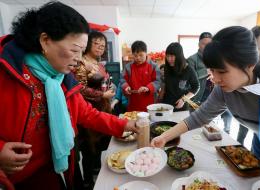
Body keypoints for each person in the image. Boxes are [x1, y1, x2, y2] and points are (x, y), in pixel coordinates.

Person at [151, 26, 260, 189]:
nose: (215, 79)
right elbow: (200, 116)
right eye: (212, 71)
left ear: (249, 65)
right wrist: (165, 137)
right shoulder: (224, 89)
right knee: (256, 182)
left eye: (222, 72)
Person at [0, 2, 137, 190]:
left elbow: (86, 113)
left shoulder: (60, 78)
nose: (79, 58)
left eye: (82, 51)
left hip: (58, 169)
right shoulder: (6, 72)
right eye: (74, 50)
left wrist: (127, 124)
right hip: (14, 180)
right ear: (45, 41)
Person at [72, 31, 115, 189]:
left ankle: (99, 173)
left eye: (103, 45)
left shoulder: (100, 64)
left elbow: (107, 80)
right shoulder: (80, 63)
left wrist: (111, 87)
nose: (100, 47)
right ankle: (88, 182)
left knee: (101, 146)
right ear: (88, 44)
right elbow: (79, 89)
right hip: (87, 113)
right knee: (89, 148)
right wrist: (102, 94)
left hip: (103, 110)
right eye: (97, 43)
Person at [120, 40, 161, 111]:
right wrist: (126, 87)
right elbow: (122, 79)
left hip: (150, 104)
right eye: (135, 55)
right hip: (133, 103)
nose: (138, 58)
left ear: (146, 53)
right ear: (132, 54)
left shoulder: (153, 66)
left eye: (141, 55)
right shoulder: (128, 67)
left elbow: (158, 81)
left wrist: (148, 88)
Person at [159, 42, 199, 111]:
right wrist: (159, 98)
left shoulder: (188, 69)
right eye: (167, 56)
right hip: (166, 105)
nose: (169, 59)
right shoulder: (166, 68)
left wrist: (184, 99)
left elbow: (196, 87)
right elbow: (164, 85)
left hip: (181, 105)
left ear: (179, 56)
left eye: (172, 56)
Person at [187, 32, 212, 103]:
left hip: (214, 94)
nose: (207, 46)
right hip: (198, 96)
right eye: (203, 44)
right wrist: (207, 71)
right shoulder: (191, 59)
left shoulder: (215, 58)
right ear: (199, 44)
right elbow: (190, 79)